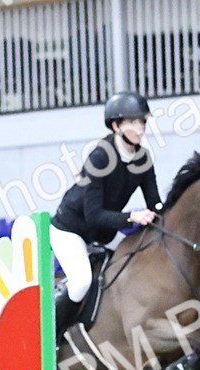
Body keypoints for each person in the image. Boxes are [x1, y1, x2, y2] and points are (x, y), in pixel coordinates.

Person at [50, 90, 163, 338]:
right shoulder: (100, 157)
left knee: (138, 263)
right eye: (133, 122)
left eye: (142, 121)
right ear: (116, 125)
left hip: (104, 231)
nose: (141, 128)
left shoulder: (143, 158)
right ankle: (50, 338)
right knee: (80, 282)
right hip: (71, 229)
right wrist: (132, 218)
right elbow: (93, 215)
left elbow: (155, 203)